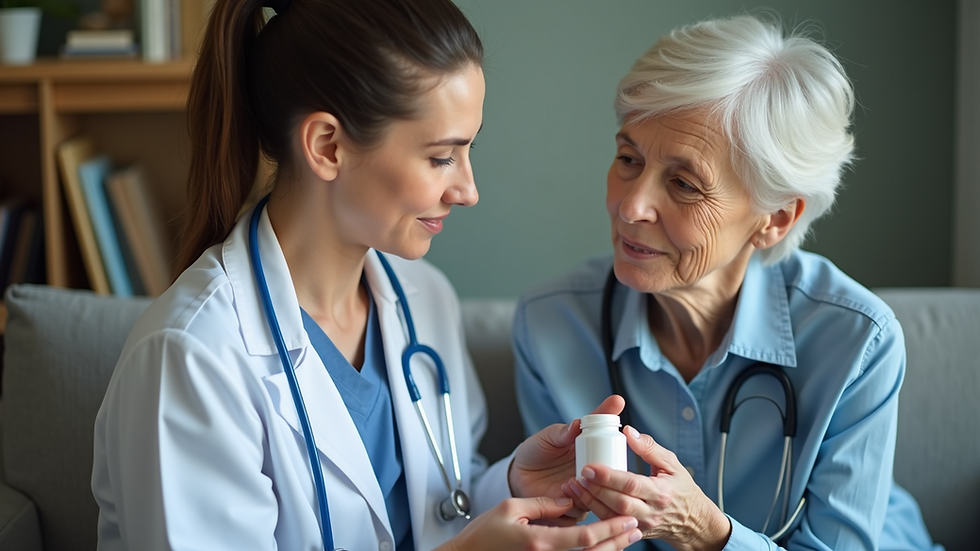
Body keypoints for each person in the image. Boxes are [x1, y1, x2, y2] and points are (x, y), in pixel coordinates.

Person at [90, 0, 643, 550]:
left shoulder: (425, 299)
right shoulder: (192, 357)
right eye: (441, 158)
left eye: (467, 150)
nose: (468, 191)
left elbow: (440, 507)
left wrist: (511, 483)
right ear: (327, 146)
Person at [513, 14, 943, 551]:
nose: (631, 205)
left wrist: (711, 536)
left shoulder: (857, 341)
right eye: (628, 158)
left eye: (685, 184)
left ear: (776, 218)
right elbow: (572, 531)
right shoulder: (552, 323)